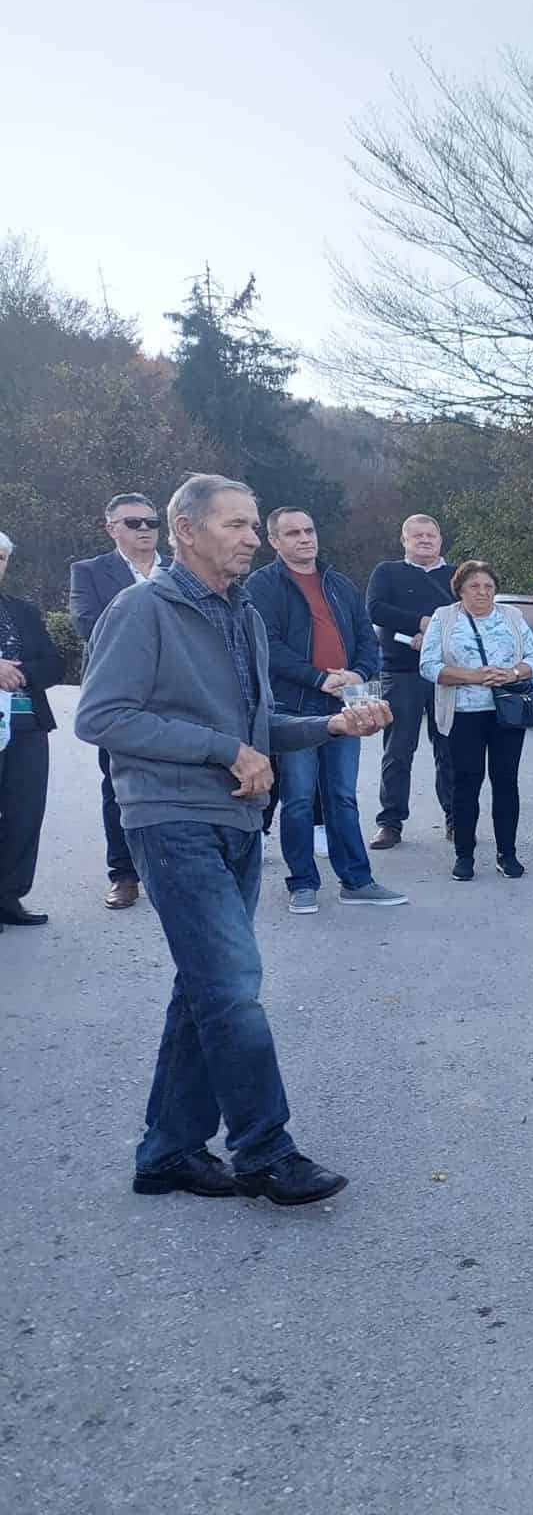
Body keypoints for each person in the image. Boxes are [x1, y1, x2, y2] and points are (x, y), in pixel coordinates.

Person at [74, 473, 391, 1206]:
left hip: (239, 821)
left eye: (254, 524)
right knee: (231, 987)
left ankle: (168, 1153)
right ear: (186, 530)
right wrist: (225, 751)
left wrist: (330, 724)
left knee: (207, 987)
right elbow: (101, 717)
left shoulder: (242, 613)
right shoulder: (141, 608)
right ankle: (264, 1151)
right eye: (237, 525)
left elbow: (256, 728)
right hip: (170, 819)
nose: (253, 538)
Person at [245, 506, 405, 913]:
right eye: (293, 533)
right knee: (298, 798)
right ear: (274, 541)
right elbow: (268, 646)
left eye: (309, 530)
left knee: (342, 796)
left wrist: (358, 674)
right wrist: (319, 679)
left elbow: (367, 638)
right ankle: (302, 883)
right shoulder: (262, 585)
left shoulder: (339, 583)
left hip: (347, 702)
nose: (305, 538)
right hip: (296, 707)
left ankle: (357, 881)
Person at [67, 492, 169, 910]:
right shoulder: (90, 572)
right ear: (112, 528)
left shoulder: (179, 568)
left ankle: (172, 868)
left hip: (179, 693)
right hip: (120, 695)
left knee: (182, 782)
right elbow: (89, 625)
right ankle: (124, 874)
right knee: (118, 785)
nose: (145, 529)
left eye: (151, 522)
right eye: (133, 522)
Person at [421, 560, 533, 881]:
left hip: (507, 710)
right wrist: (472, 676)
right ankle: (464, 855)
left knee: (506, 781)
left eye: (488, 586)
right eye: (474, 586)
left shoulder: (512, 616)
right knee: (466, 782)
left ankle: (508, 854)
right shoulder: (444, 618)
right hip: (463, 714)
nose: (482, 592)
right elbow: (429, 666)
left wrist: (512, 673)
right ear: (460, 589)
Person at [366, 515, 457, 848]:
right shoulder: (387, 572)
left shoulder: (457, 576)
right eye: (417, 535)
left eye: (430, 535)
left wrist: (434, 639)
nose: (425, 540)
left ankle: (456, 819)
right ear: (403, 540)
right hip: (401, 672)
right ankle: (390, 823)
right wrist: (419, 623)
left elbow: (471, 615)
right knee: (398, 751)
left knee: (451, 750)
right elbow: (376, 609)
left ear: (440, 539)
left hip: (448, 674)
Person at [0, 531, 63, 931]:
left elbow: (54, 665)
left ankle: (8, 897)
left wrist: (17, 673)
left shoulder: (23, 611)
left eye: (1, 558)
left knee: (24, 814)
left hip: (26, 726)